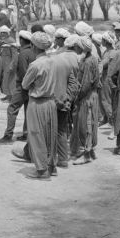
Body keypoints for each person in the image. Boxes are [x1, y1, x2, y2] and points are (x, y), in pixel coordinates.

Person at [21, 32, 58, 179]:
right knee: (50, 135)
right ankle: (51, 167)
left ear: (33, 47)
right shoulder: (53, 61)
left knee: (36, 135)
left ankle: (41, 170)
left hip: (37, 102)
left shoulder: (35, 65)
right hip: (50, 102)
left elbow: (25, 84)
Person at [0, 30, 35, 143]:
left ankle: (8, 135)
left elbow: (24, 72)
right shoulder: (33, 52)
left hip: (23, 86)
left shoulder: (23, 54)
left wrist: (24, 86)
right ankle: (26, 134)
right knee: (28, 110)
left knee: (12, 109)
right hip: (32, 86)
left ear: (22, 41)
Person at [50, 34, 80, 168]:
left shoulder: (51, 60)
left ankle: (48, 160)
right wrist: (67, 99)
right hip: (65, 101)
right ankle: (62, 159)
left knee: (48, 130)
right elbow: (74, 84)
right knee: (61, 131)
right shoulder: (72, 60)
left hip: (51, 102)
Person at [70, 36, 100, 165]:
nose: (75, 48)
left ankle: (86, 153)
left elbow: (86, 83)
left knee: (86, 125)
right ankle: (90, 150)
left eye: (77, 46)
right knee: (91, 123)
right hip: (92, 95)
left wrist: (77, 97)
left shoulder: (87, 62)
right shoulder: (92, 59)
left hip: (87, 97)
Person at [98, 32, 118, 127]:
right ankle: (106, 118)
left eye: (103, 39)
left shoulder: (112, 53)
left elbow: (103, 64)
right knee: (104, 99)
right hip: (104, 78)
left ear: (106, 41)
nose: (101, 41)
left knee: (107, 100)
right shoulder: (106, 51)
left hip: (107, 79)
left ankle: (112, 122)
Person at [0, 25, 17, 102]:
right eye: (1, 33)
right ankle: (7, 95)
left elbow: (14, 55)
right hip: (4, 64)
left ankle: (11, 97)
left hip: (9, 64)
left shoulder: (11, 41)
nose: (2, 34)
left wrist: (12, 64)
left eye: (3, 33)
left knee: (10, 80)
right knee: (5, 80)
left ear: (7, 33)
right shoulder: (3, 41)